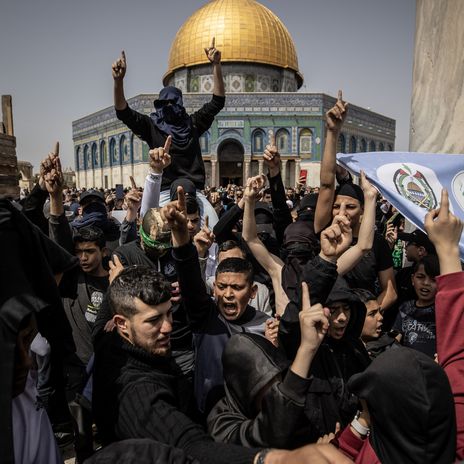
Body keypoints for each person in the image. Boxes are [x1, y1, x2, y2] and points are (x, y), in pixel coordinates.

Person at [106, 265, 351, 464]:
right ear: (122, 324)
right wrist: (277, 460)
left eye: (168, 313)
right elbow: (191, 447)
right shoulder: (139, 392)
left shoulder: (137, 346)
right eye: (153, 320)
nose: (168, 327)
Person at [164, 187, 271, 414]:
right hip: (207, 417)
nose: (228, 294)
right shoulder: (207, 318)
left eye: (237, 288)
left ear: (252, 292)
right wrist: (182, 238)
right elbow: (191, 284)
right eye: (222, 287)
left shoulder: (266, 325)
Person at [112, 39, 225, 226]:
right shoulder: (152, 126)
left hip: (195, 195)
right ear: (159, 106)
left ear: (181, 104)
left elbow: (217, 102)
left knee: (213, 232)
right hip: (164, 193)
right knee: (152, 234)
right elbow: (123, 112)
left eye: (174, 103)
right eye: (165, 104)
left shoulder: (193, 123)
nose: (170, 107)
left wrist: (216, 65)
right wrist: (118, 81)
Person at [207, 283, 331, 449]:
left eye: (278, 381)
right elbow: (272, 431)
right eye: (265, 386)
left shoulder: (297, 413)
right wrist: (307, 349)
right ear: (244, 386)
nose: (276, 391)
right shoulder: (221, 425)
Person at [314, 91, 397, 311]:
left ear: (362, 211)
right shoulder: (326, 235)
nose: (342, 212)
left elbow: (389, 292)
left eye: (350, 207)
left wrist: (364, 321)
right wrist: (332, 131)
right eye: (336, 206)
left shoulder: (375, 244)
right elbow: (325, 185)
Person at [392, 255, 439, 358]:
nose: (426, 283)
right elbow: (395, 336)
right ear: (412, 279)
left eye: (433, 279)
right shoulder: (405, 308)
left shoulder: (442, 310)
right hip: (409, 367)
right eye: (420, 277)